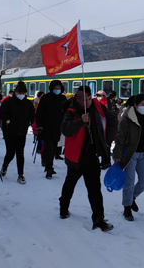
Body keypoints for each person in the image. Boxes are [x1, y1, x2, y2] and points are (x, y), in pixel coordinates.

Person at [60, 86, 118, 232]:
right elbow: (65, 130)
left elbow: (112, 119)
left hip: (92, 155)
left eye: (89, 98)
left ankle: (98, 219)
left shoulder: (98, 107)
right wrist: (80, 121)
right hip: (76, 156)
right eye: (83, 99)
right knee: (70, 184)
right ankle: (63, 206)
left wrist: (107, 141)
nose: (87, 101)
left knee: (94, 189)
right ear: (76, 98)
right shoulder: (71, 111)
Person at [113, 93, 144, 221]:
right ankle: (127, 208)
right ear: (135, 105)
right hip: (130, 154)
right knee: (129, 182)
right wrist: (117, 154)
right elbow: (120, 137)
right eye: (142, 105)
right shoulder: (127, 118)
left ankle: (132, 197)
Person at [0, 81, 35, 184]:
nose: (21, 95)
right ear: (15, 92)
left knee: (20, 153)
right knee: (10, 153)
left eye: (23, 93)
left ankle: (21, 175)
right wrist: (8, 122)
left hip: (21, 131)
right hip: (9, 132)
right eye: (19, 93)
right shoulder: (8, 102)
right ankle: (4, 167)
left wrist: (28, 122)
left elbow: (32, 115)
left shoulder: (28, 103)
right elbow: (3, 114)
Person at [35, 80, 66, 179]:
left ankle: (49, 165)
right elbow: (39, 112)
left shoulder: (63, 98)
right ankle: (48, 168)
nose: (57, 90)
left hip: (58, 127)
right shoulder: (46, 98)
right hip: (46, 127)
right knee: (49, 147)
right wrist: (39, 126)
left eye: (58, 88)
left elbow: (65, 112)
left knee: (54, 147)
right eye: (55, 88)